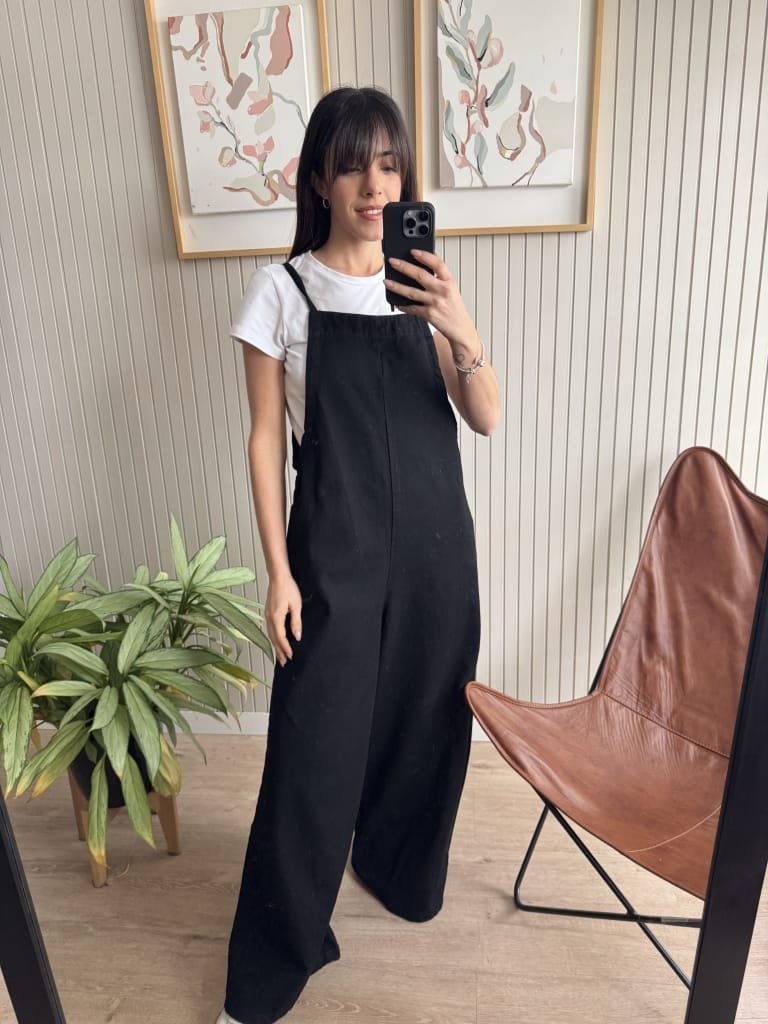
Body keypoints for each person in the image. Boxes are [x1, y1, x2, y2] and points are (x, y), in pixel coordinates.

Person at [217, 85, 500, 1024]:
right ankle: (273, 961)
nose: (375, 187)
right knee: (312, 747)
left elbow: (486, 417)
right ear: (319, 179)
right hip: (331, 546)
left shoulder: (422, 283)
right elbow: (266, 439)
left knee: (425, 720)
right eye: (353, 166)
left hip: (434, 549)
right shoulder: (283, 291)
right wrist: (278, 571)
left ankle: (396, 866)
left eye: (389, 166)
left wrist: (459, 326)